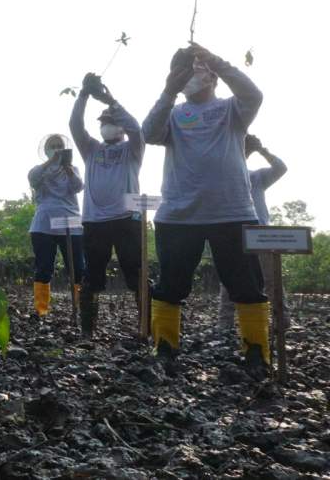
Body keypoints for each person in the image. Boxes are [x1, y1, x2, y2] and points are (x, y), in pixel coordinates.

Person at [142, 43, 269, 379]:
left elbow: (253, 94)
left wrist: (217, 61)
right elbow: (148, 132)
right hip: (178, 216)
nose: (192, 73)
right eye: (185, 68)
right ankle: (165, 347)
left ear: (212, 75)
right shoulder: (171, 113)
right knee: (170, 284)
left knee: (246, 286)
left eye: (198, 67)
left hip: (234, 212)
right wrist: (169, 89)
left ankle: (256, 352)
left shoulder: (231, 110)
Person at [69, 73, 145, 337]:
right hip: (94, 221)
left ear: (120, 127)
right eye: (104, 123)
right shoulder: (91, 149)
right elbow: (75, 125)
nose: (107, 126)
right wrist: (83, 95)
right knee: (92, 278)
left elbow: (135, 127)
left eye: (112, 122)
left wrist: (111, 101)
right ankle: (87, 333)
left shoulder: (133, 148)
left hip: (127, 219)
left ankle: (146, 327)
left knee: (136, 273)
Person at [217, 134, 289, 333]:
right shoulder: (222, 174)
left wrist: (262, 150)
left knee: (271, 277)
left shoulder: (256, 177)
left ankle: (281, 319)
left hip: (260, 233)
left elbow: (281, 168)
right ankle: (225, 324)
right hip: (231, 233)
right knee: (229, 279)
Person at [28, 134, 86, 318]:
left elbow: (78, 187)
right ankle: (41, 309)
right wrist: (51, 162)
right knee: (44, 266)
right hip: (44, 223)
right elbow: (33, 179)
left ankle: (81, 307)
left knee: (77, 266)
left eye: (59, 145)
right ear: (46, 150)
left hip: (71, 221)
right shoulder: (39, 170)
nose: (57, 149)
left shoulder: (73, 169)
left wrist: (67, 167)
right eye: (52, 146)